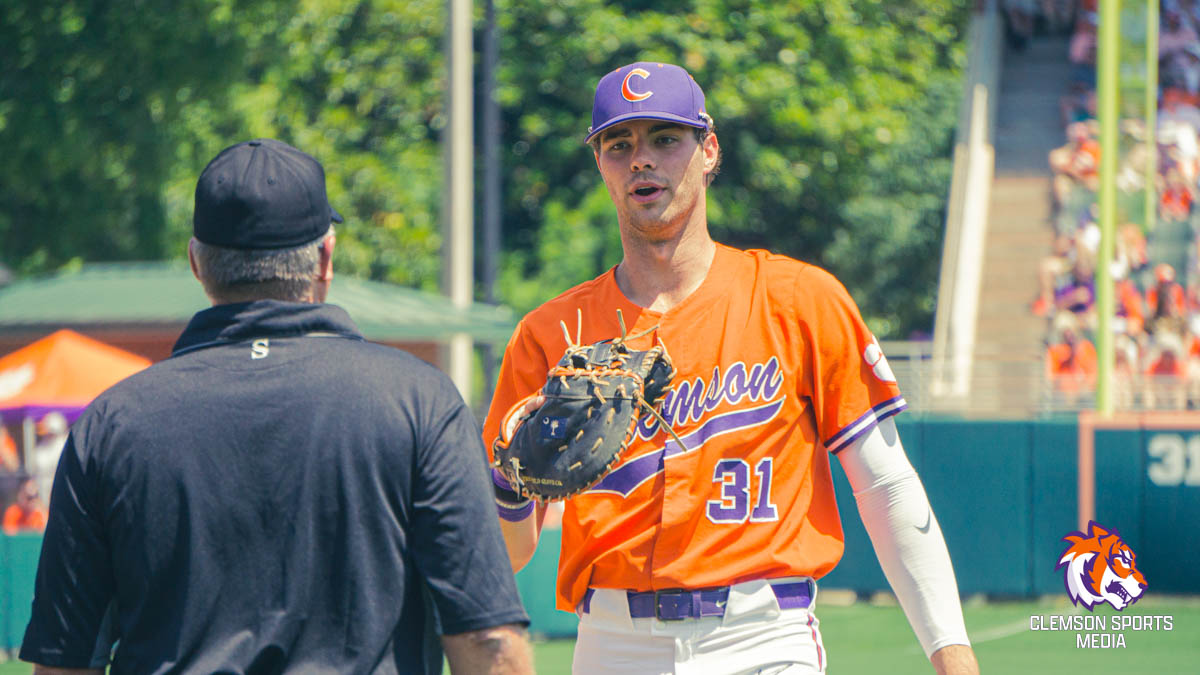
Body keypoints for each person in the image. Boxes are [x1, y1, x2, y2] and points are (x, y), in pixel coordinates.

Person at [484, 62, 978, 674]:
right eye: (620, 144)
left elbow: (886, 486)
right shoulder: (550, 334)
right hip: (614, 641)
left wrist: (954, 658)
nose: (642, 159)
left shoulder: (799, 300)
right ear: (600, 164)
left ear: (708, 149)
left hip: (762, 636)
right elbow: (506, 555)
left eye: (665, 138)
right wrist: (509, 487)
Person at [20, 139, 533, 675]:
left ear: (197, 263)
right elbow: (489, 640)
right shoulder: (419, 400)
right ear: (326, 258)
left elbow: (65, 662)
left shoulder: (111, 423)